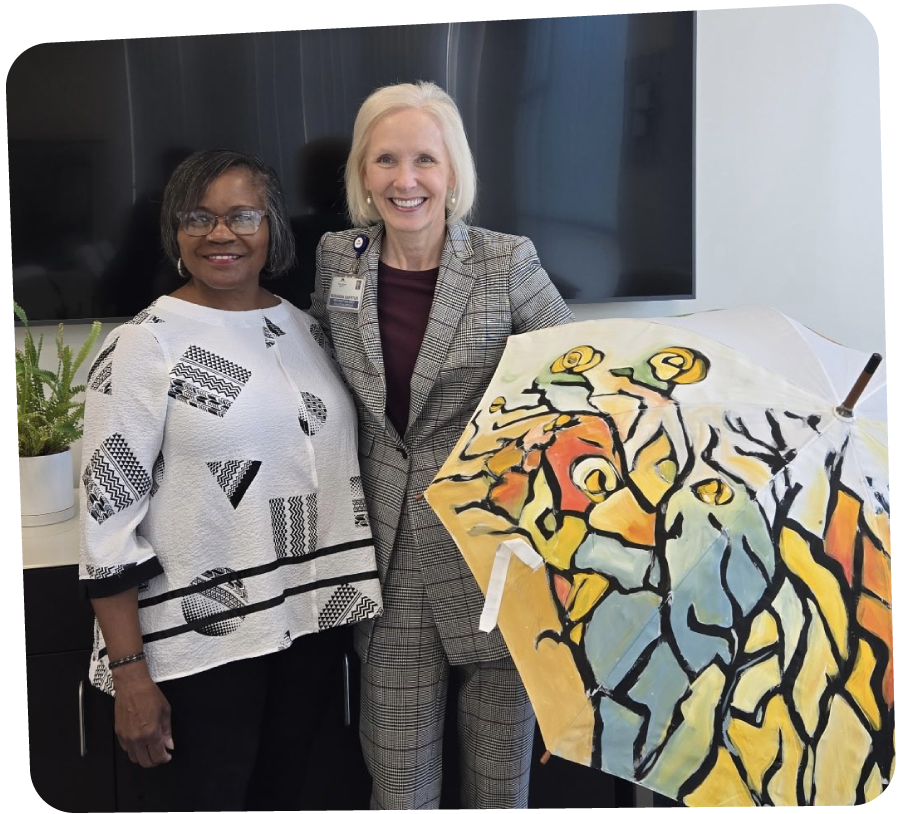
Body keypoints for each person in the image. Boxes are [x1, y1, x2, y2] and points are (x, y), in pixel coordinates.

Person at [78, 148, 382, 813]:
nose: (222, 233)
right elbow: (107, 523)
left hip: (310, 628)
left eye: (243, 215)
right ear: (175, 231)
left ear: (273, 227)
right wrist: (130, 676)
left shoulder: (306, 330)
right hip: (200, 646)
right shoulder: (145, 345)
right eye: (199, 217)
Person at [310, 81, 573, 810]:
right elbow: (316, 368)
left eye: (424, 159)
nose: (406, 179)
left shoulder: (505, 261)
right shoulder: (338, 259)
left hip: (498, 559)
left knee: (498, 791)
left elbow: (579, 381)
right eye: (386, 159)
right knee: (400, 791)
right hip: (387, 561)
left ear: (453, 171)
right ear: (363, 174)